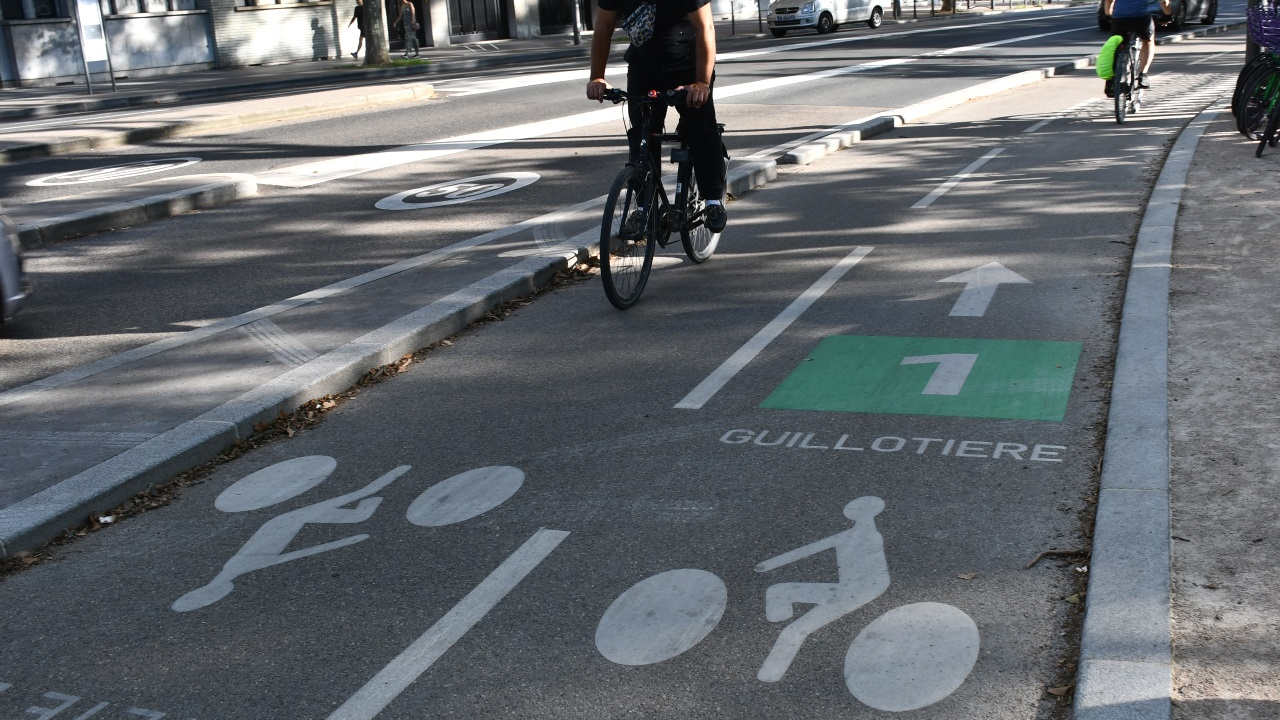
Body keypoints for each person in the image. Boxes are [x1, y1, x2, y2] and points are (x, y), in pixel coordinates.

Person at [586, 0, 727, 233]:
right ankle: (643, 208)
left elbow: (705, 27)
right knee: (642, 135)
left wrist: (702, 82)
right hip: (645, 68)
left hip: (689, 65)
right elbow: (603, 28)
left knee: (700, 129)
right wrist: (597, 77)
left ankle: (713, 200)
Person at [1105, 0, 1171, 90]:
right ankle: (1143, 75)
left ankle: (1110, 82)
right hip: (1141, 18)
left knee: (1116, 44)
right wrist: (1168, 15)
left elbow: (1108, 1)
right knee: (1148, 40)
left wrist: (1108, 15)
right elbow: (1163, 1)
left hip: (1118, 18)